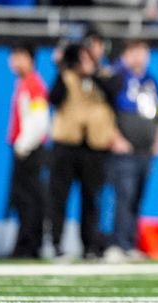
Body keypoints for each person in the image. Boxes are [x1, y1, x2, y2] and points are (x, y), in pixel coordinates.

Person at [48, 41, 120, 259]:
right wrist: (60, 67)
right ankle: (55, 243)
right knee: (59, 196)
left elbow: (114, 95)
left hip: (93, 146)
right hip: (67, 145)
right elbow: (53, 98)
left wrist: (93, 73)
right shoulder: (66, 76)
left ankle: (90, 244)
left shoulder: (104, 76)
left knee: (91, 198)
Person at [102, 39, 158, 263]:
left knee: (137, 198)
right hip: (124, 148)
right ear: (127, 53)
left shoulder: (150, 80)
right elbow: (105, 109)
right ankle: (117, 244)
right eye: (136, 51)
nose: (141, 57)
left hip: (145, 149)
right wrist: (115, 137)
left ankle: (129, 243)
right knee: (124, 196)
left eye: (144, 52)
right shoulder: (117, 77)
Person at [6, 43, 49, 259]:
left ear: (29, 58)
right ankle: (25, 245)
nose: (12, 61)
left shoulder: (33, 84)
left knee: (28, 199)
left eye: (17, 55)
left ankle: (28, 246)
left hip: (29, 150)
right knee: (24, 199)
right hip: (27, 147)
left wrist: (23, 144)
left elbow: (39, 121)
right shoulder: (24, 83)